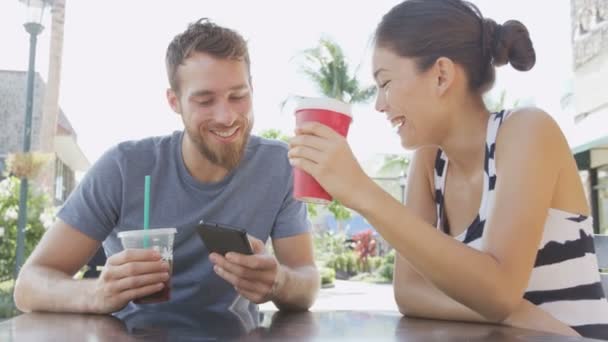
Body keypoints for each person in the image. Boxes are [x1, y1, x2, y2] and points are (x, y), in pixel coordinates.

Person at [288, 0, 608, 339]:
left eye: (385, 83)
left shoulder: (527, 132)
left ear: (441, 75)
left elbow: (497, 291)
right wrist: (518, 313)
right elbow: (409, 293)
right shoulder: (430, 162)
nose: (380, 105)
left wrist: (361, 192)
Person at [14, 18, 319, 316]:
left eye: (238, 96)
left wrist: (279, 281)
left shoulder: (279, 167)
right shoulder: (123, 168)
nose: (226, 116)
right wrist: (96, 293)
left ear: (252, 89)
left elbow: (306, 282)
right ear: (174, 101)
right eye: (204, 100)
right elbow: (29, 285)